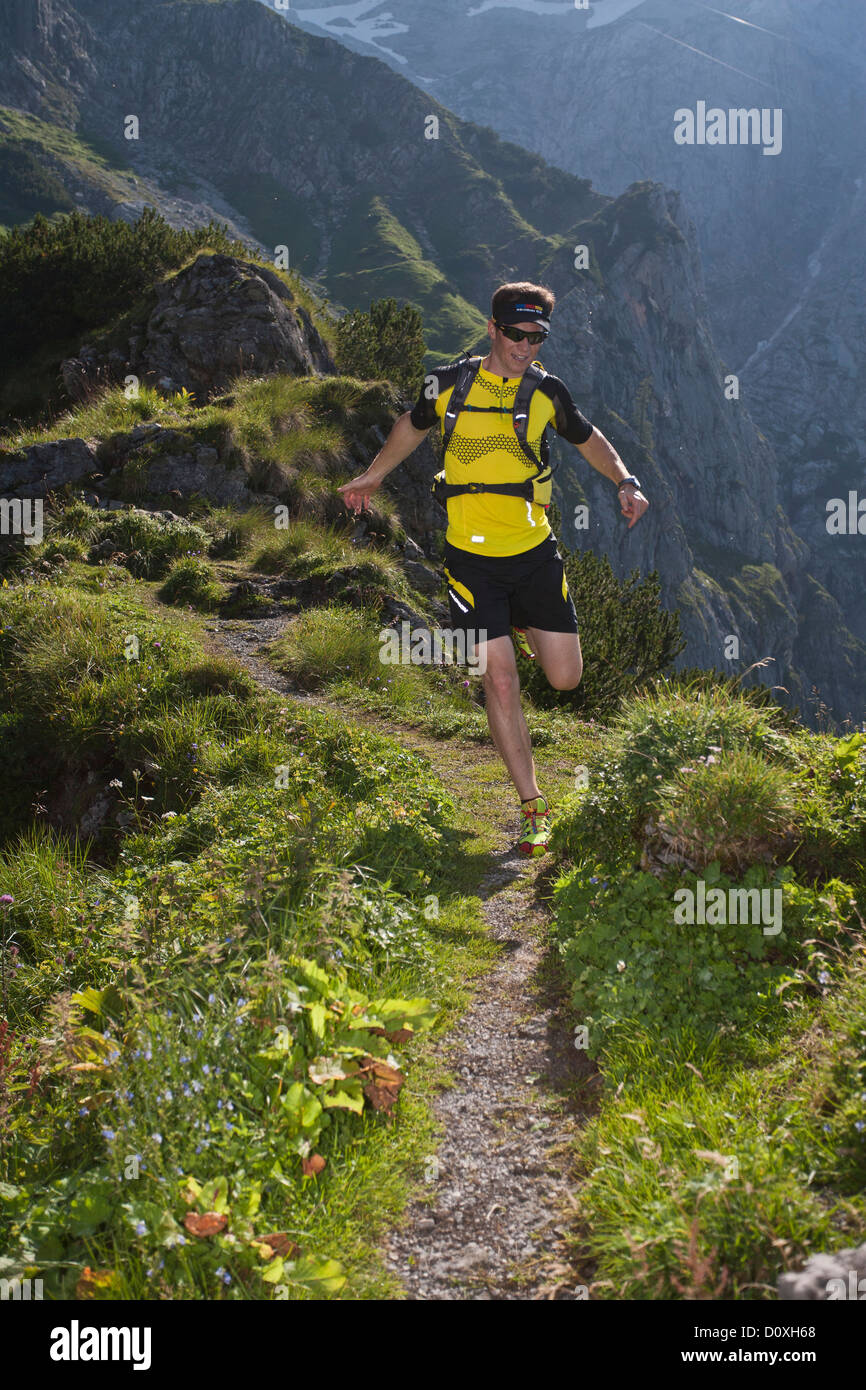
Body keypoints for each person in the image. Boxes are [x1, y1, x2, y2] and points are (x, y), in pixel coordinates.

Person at [338, 282, 649, 856]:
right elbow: (411, 423)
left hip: (533, 553)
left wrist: (625, 480)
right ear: (492, 328)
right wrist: (375, 473)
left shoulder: (546, 390)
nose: (525, 346)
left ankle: (525, 627)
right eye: (516, 334)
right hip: (470, 560)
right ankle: (533, 804)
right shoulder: (449, 381)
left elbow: (588, 438)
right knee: (500, 680)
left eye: (536, 337)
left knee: (565, 679)